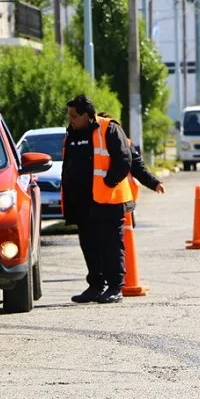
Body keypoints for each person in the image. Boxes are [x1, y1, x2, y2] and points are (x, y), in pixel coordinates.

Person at [62, 95, 133, 304]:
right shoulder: (72, 133)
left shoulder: (108, 129)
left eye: (74, 116)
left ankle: (114, 287)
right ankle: (95, 286)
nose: (71, 120)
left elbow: (124, 159)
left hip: (107, 201)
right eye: (70, 116)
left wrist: (108, 183)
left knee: (110, 246)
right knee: (89, 246)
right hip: (83, 203)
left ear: (86, 115)